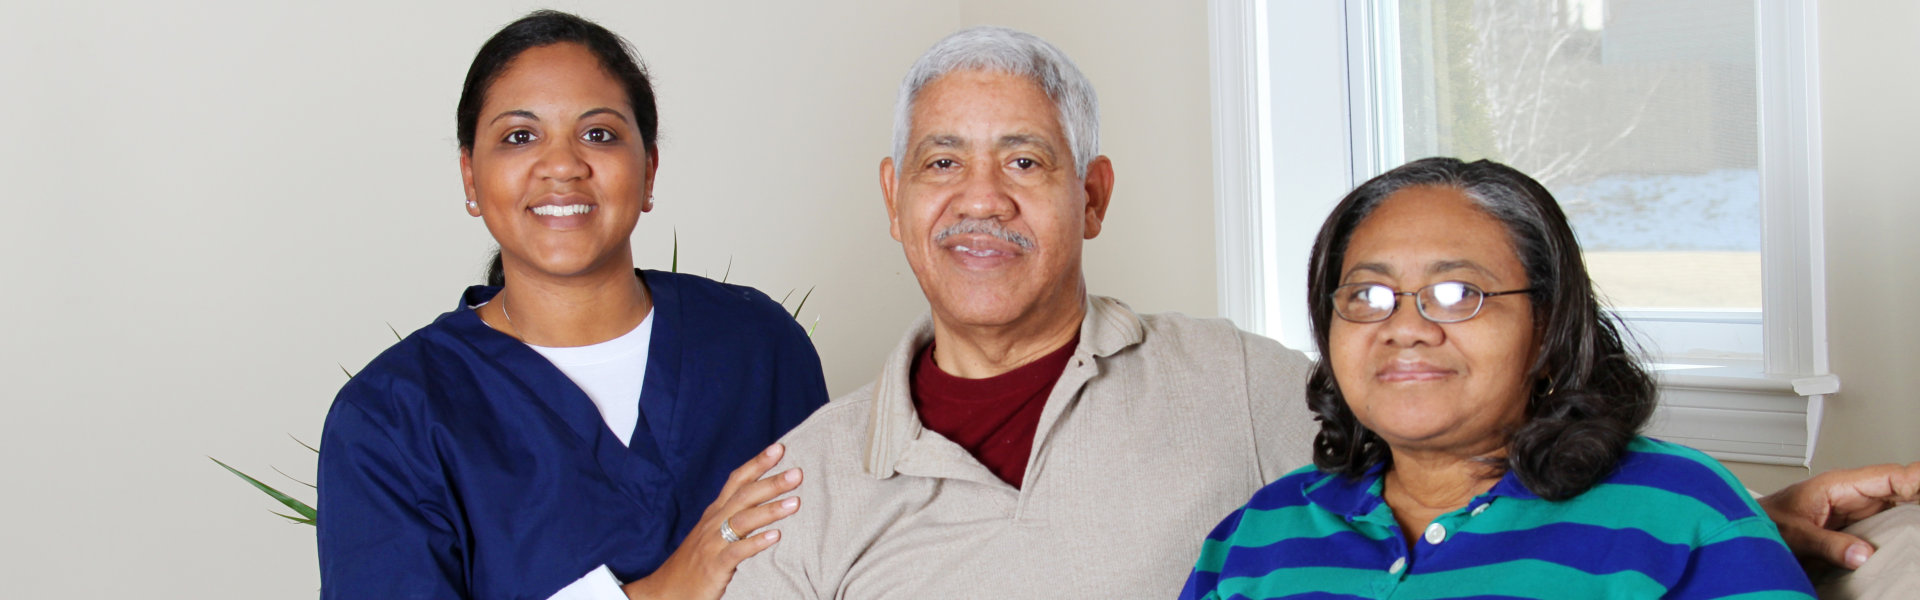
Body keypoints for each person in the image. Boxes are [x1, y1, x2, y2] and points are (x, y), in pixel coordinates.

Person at [721, 25, 1320, 598]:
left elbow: (1408, 511)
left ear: (1092, 197)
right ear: (894, 199)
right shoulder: (804, 481)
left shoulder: (1236, 381)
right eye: (943, 162)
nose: (982, 198)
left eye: (1024, 162)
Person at [315, 11, 828, 600]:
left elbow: (837, 562)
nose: (562, 165)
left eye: (599, 134)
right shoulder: (392, 416)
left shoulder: (757, 346)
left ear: (649, 170)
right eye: (519, 137)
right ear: (470, 178)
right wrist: (662, 591)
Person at [1179, 157, 1815, 598]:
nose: (1405, 327)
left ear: (1548, 325)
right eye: (1368, 295)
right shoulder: (1260, 532)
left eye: (1457, 293)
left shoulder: (1680, 512)